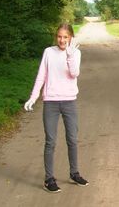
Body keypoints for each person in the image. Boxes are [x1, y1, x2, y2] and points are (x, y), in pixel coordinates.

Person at [24, 24, 88, 193]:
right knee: (50, 141)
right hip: (51, 102)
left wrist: (69, 56)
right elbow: (41, 75)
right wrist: (34, 96)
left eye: (65, 37)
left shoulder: (76, 53)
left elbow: (74, 73)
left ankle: (74, 173)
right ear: (56, 37)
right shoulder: (48, 52)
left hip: (69, 101)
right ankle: (49, 179)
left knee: (72, 139)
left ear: (71, 38)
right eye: (59, 36)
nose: (62, 40)